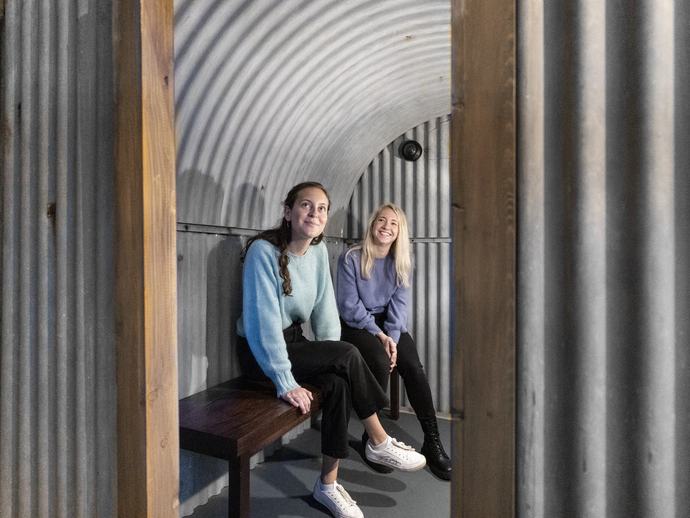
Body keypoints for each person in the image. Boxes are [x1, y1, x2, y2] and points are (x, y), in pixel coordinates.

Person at [236, 182, 426, 518]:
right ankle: (379, 440)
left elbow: (325, 311)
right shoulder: (262, 252)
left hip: (293, 342)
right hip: (261, 351)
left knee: (339, 380)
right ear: (288, 212)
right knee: (347, 355)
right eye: (306, 205)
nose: (315, 213)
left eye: (321, 208)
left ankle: (327, 485)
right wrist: (284, 380)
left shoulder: (318, 251)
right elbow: (261, 324)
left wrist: (333, 350)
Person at [336, 203, 452, 481]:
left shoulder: (402, 260)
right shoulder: (350, 257)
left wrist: (393, 338)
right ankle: (372, 440)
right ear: (372, 223)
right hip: (357, 323)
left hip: (389, 323)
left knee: (412, 364)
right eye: (382, 220)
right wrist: (380, 336)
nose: (386, 227)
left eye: (393, 223)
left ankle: (432, 441)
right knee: (377, 359)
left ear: (400, 231)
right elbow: (349, 307)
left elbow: (399, 306)